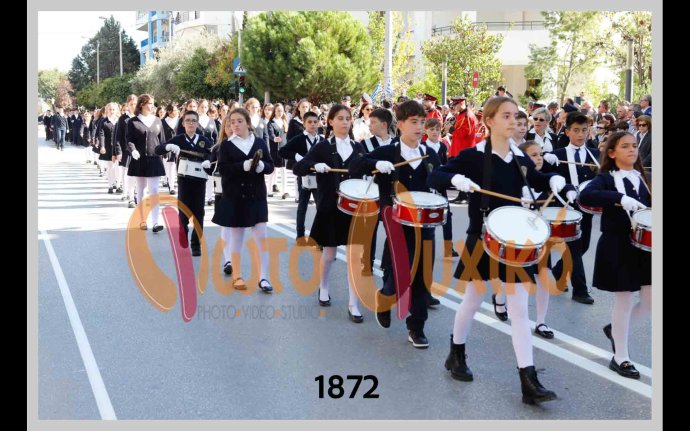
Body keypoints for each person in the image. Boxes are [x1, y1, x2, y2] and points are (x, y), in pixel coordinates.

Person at [428, 96, 572, 404]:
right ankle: (456, 353)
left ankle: (528, 380)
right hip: (482, 236)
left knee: (519, 309)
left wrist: (556, 180)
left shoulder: (520, 158)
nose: (513, 121)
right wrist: (455, 178)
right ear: (489, 121)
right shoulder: (474, 156)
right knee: (472, 299)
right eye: (505, 116)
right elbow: (435, 174)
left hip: (515, 240)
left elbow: (539, 179)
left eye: (515, 116)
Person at [349, 100, 443, 343]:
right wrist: (374, 164)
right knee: (400, 269)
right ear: (400, 125)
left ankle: (416, 327)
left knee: (422, 274)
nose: (419, 127)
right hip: (396, 219)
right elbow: (354, 166)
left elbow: (439, 182)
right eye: (414, 122)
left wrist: (454, 180)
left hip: (424, 222)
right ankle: (386, 295)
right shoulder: (387, 152)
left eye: (422, 122)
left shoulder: (430, 153)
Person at [579, 132, 651, 379]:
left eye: (634, 146)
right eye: (625, 146)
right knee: (624, 300)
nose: (632, 150)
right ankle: (621, 356)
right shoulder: (605, 179)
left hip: (644, 246)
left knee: (651, 301)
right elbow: (586, 195)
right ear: (612, 153)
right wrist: (619, 197)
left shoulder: (644, 178)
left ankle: (615, 329)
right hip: (618, 244)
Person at [292, 104, 367, 323]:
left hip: (354, 210)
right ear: (331, 122)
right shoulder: (322, 147)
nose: (345, 122)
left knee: (354, 257)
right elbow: (298, 167)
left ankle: (353, 303)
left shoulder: (358, 148)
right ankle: (323, 286)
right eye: (340, 118)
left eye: (348, 118)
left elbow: (369, 168)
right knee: (329, 254)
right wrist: (314, 165)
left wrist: (379, 166)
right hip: (330, 208)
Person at [211, 108, 275, 292]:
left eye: (239, 121)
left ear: (248, 123)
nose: (235, 125)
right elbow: (222, 169)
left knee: (261, 236)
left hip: (257, 195)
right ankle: (237, 276)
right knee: (237, 237)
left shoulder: (259, 142)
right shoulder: (226, 145)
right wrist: (242, 166)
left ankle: (264, 277)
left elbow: (270, 165)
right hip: (235, 196)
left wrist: (262, 166)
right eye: (232, 122)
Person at [155, 110, 213, 256]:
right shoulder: (179, 139)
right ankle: (183, 232)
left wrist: (208, 160)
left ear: (198, 123)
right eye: (188, 120)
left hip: (199, 181)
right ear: (183, 123)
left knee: (199, 213)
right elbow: (157, 149)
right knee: (183, 212)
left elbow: (213, 153)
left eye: (194, 120)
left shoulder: (204, 140)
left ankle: (196, 244)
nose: (191, 123)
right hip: (184, 181)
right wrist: (168, 147)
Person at [279, 111, 323, 241]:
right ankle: (300, 235)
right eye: (309, 122)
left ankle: (319, 237)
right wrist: (296, 156)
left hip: (319, 178)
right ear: (304, 124)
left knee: (321, 208)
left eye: (315, 122)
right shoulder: (299, 139)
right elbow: (282, 151)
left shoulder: (322, 140)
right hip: (304, 177)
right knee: (302, 207)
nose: (313, 124)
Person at [126, 94, 166, 233]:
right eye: (149, 103)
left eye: (153, 103)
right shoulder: (133, 122)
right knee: (141, 189)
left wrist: (165, 152)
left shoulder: (157, 120)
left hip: (155, 160)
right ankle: (142, 219)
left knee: (154, 190)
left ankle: (156, 221)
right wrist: (133, 150)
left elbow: (162, 141)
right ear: (142, 104)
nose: (152, 106)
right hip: (139, 160)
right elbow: (129, 140)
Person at [267, 103, 289, 199]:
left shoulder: (285, 122)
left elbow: (287, 136)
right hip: (274, 150)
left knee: (284, 170)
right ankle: (269, 190)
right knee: (273, 170)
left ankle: (285, 191)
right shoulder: (271, 123)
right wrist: (274, 138)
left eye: (281, 111)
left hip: (284, 149)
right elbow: (270, 134)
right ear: (274, 112)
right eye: (278, 111)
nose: (280, 112)